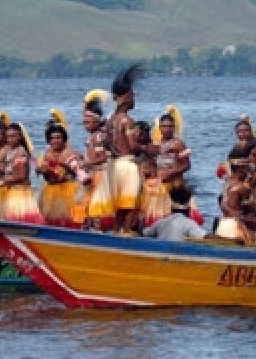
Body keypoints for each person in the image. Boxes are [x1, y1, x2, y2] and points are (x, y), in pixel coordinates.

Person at [106, 64, 146, 234]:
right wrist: (151, 148)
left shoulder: (110, 120)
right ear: (127, 97)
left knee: (120, 207)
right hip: (127, 165)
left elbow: (109, 145)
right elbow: (133, 146)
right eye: (133, 95)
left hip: (114, 166)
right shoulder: (126, 121)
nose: (134, 98)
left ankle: (116, 233)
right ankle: (127, 234)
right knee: (132, 205)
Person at [143, 105, 193, 227]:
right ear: (159, 127)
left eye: (170, 126)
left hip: (174, 184)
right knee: (156, 216)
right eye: (164, 126)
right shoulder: (155, 144)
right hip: (159, 184)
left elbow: (187, 165)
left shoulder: (178, 143)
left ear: (174, 127)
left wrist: (170, 173)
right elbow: (151, 163)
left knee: (173, 213)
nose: (167, 129)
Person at [36, 109, 84, 227]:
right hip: (50, 192)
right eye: (52, 138)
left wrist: (63, 164)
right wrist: (41, 170)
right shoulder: (45, 154)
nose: (55, 141)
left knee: (70, 222)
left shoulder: (71, 153)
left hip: (68, 191)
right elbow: (42, 172)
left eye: (58, 138)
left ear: (64, 139)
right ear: (48, 140)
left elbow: (79, 171)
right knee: (50, 222)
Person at [80, 89, 115, 231]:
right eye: (84, 122)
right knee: (88, 207)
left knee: (98, 208)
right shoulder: (94, 135)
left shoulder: (100, 136)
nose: (85, 124)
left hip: (100, 176)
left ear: (96, 121)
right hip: (93, 174)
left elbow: (106, 156)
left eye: (88, 122)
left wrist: (88, 163)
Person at [0, 121, 43, 224]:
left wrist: (3, 181)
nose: (10, 139)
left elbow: (21, 176)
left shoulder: (20, 151)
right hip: (13, 191)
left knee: (19, 221)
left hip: (20, 193)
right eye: (8, 136)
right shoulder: (11, 151)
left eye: (13, 136)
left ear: (19, 137)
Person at [215, 147, 256, 243]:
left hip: (222, 225)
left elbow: (225, 206)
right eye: (248, 168)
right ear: (241, 168)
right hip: (235, 229)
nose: (249, 172)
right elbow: (250, 210)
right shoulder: (241, 188)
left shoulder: (227, 183)